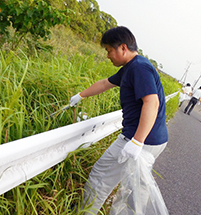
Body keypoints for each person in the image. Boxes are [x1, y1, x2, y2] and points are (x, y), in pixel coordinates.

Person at [70, 26, 168, 214]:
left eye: (109, 50)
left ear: (123, 48)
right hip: (155, 139)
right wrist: (80, 96)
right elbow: (106, 83)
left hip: (140, 138)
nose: (108, 56)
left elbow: (152, 102)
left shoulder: (139, 67)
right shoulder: (131, 67)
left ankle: (83, 212)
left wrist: (137, 141)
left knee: (101, 177)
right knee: (132, 186)